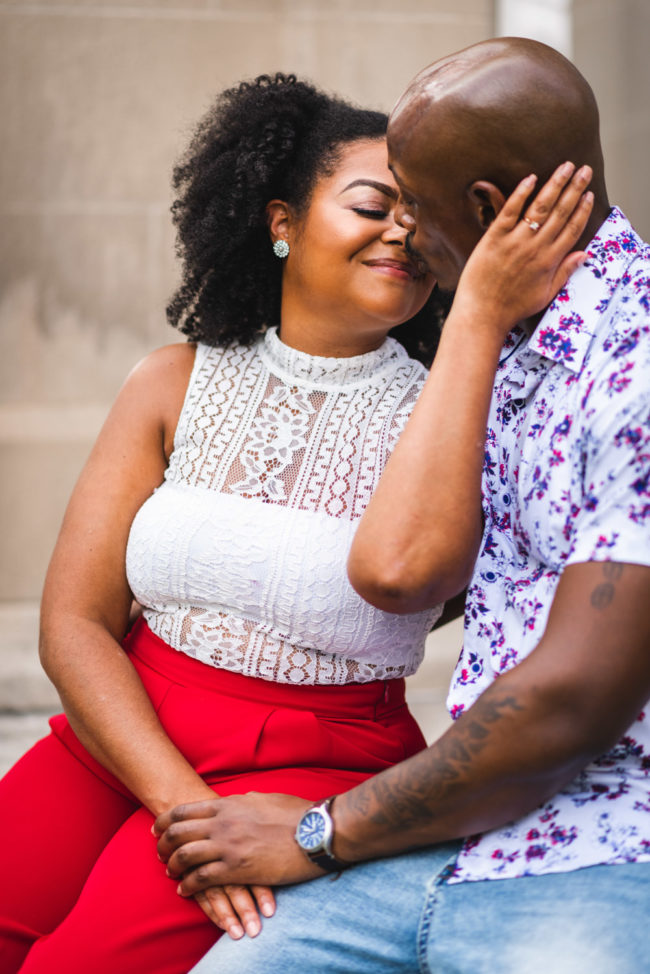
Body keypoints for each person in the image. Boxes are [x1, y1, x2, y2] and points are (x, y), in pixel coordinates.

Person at [0, 71, 586, 973]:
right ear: (282, 222)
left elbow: (416, 579)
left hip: (311, 767)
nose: (402, 229)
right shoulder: (170, 381)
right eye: (373, 203)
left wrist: (480, 314)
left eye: (420, 216)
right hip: (115, 733)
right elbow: (74, 623)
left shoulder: (455, 419)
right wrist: (175, 798)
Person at [156, 39, 650, 974]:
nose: (402, 235)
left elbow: (572, 702)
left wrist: (319, 832)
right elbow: (394, 571)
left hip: (608, 848)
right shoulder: (498, 338)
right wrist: (476, 316)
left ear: (485, 210)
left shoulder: (634, 363)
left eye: (411, 204)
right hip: (452, 841)